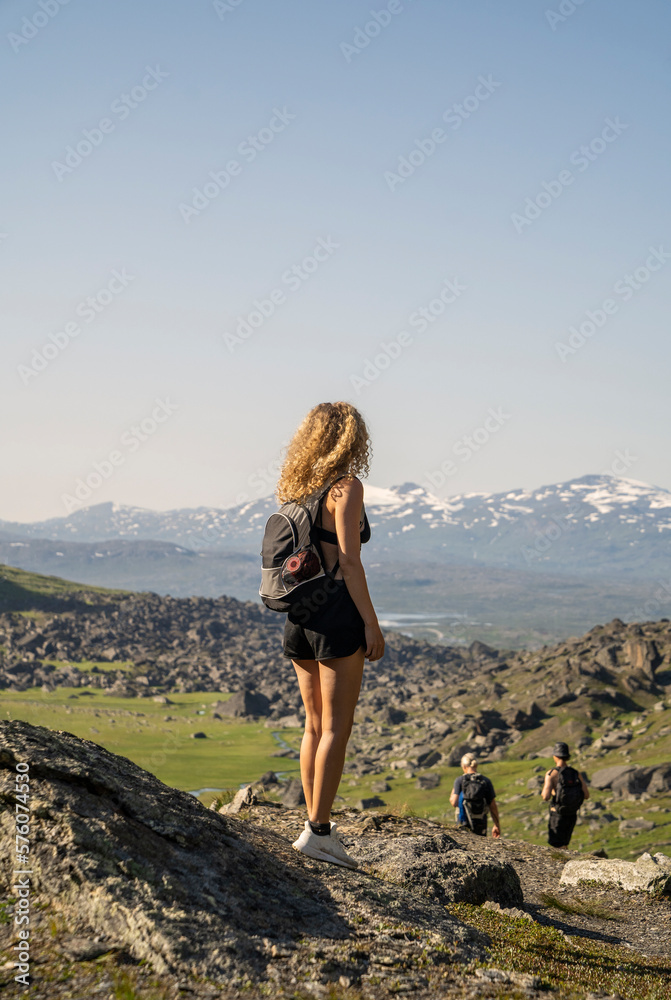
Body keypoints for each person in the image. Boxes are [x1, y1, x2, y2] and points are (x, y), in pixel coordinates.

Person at [276, 402, 385, 869]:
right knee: (337, 728)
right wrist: (371, 623)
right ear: (351, 439)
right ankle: (319, 832)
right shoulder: (345, 487)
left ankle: (313, 823)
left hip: (300, 614)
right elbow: (350, 560)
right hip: (338, 614)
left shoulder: (295, 488)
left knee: (313, 725)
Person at [541, 741, 590, 848]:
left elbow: (546, 796)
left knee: (556, 845)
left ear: (555, 756)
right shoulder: (575, 773)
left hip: (558, 814)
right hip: (572, 813)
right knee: (565, 844)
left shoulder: (552, 774)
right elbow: (586, 795)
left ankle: (560, 864)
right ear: (567, 757)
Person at [449, 753, 501, 838]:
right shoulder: (485, 781)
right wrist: (496, 825)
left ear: (464, 766)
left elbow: (454, 802)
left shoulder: (460, 780)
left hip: (463, 820)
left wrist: (454, 791)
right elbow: (492, 805)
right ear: (476, 765)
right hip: (481, 820)